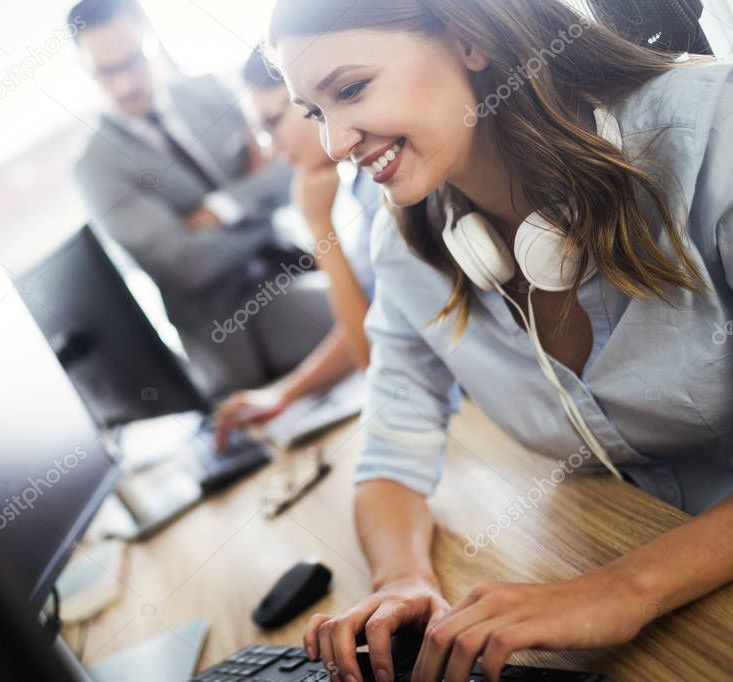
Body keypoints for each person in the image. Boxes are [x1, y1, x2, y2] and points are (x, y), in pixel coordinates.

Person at [267, 1, 733, 681]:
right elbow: (391, 454)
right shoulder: (407, 248)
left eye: (350, 89)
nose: (335, 142)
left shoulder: (709, 128)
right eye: (314, 113)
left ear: (469, 40)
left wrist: (626, 588)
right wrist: (401, 579)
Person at [68, 0, 332, 397]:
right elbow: (189, 266)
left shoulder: (208, 92)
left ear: (151, 40)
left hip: (302, 264)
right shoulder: (95, 169)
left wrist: (223, 208)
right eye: (106, 72)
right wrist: (263, 202)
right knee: (365, 305)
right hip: (238, 328)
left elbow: (292, 164)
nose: (125, 84)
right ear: (84, 71)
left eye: (132, 61)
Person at [213, 49, 385, 447]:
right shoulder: (363, 185)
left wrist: (320, 224)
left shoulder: (388, 191)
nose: (271, 147)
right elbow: (375, 318)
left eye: (274, 122)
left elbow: (374, 356)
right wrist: (284, 392)